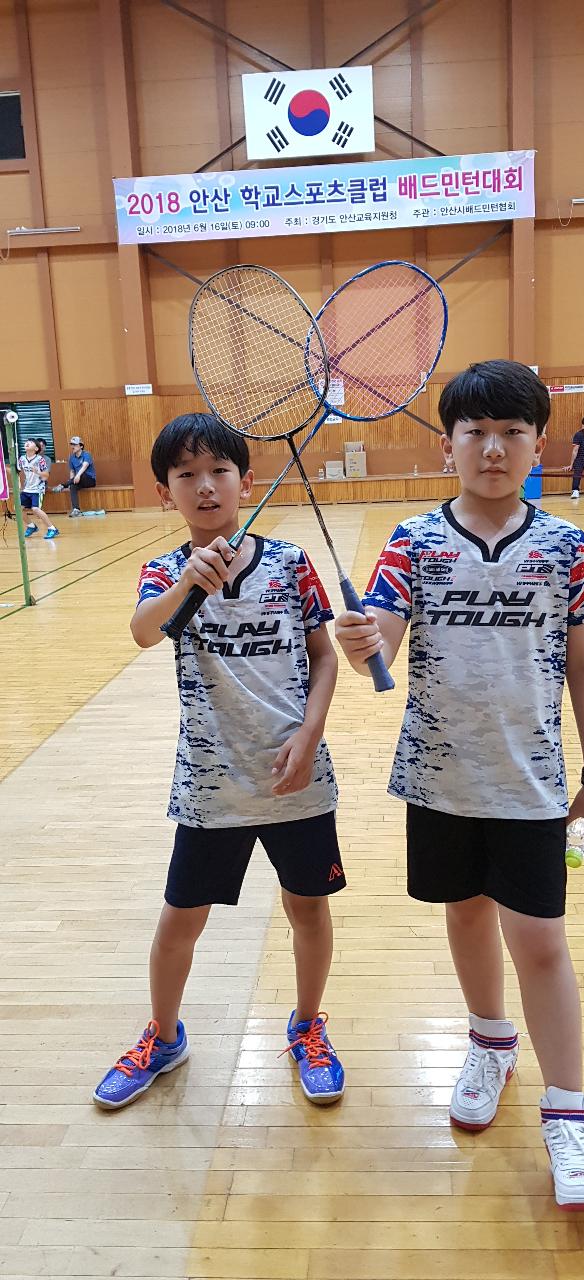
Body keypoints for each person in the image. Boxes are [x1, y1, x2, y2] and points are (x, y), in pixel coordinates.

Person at [335, 361, 584, 1211]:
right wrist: (363, 640)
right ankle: (490, 1044)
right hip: (439, 779)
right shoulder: (412, 541)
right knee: (464, 915)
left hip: (532, 783)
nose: (493, 449)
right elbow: (383, 641)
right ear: (448, 444)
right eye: (475, 432)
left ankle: (568, 1114)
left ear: (539, 444)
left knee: (540, 942)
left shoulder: (567, 547)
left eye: (511, 433)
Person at [93, 413, 346, 1110]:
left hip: (296, 780)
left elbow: (324, 658)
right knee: (181, 920)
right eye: (187, 475)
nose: (205, 487)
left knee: (308, 909)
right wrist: (187, 585)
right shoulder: (164, 572)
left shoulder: (291, 564)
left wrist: (310, 735)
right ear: (164, 492)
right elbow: (144, 631)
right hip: (211, 786)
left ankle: (307, 1026)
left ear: (246, 483)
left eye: (219, 472)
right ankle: (163, 1037)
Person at [17, 438, 59, 540]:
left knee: (35, 509)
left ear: (36, 449)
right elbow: (15, 472)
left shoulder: (40, 460)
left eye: (31, 442)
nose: (27, 443)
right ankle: (31, 526)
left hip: (37, 489)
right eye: (27, 442)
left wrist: (37, 472)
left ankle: (52, 528)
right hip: (27, 489)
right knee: (17, 508)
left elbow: (46, 475)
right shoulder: (22, 459)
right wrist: (3, 468)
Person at [52, 435, 96, 515]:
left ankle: (62, 485)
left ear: (81, 446)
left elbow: (84, 466)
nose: (72, 446)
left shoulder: (86, 454)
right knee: (72, 486)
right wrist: (71, 482)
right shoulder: (71, 457)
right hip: (78, 480)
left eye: (75, 444)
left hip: (89, 480)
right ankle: (76, 509)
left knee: (82, 474)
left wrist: (78, 475)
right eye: (72, 444)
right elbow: (72, 471)